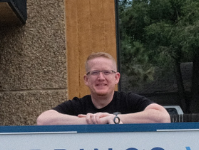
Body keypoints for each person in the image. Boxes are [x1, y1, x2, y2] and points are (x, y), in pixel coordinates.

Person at [36, 52, 170, 125]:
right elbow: (43, 120)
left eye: (106, 72)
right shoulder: (78, 105)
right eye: (94, 73)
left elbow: (162, 117)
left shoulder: (128, 100)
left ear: (116, 77)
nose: (101, 78)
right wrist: (87, 122)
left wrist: (115, 118)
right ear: (86, 80)